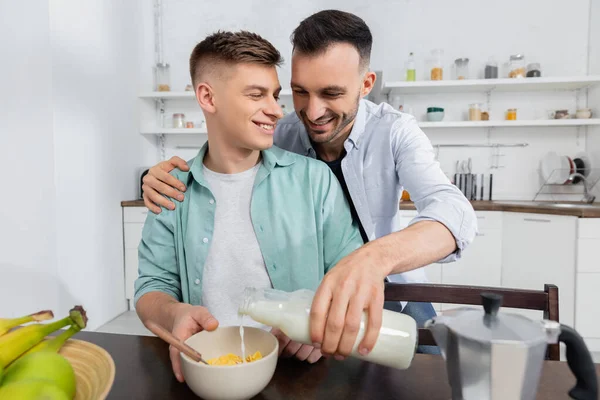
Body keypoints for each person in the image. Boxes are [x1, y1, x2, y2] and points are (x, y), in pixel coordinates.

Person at [141, 10, 477, 360]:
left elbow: (454, 211)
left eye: (331, 93)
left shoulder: (395, 132)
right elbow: (230, 150)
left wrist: (372, 257)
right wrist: (161, 175)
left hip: (394, 288)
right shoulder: (280, 134)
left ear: (366, 84)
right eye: (300, 92)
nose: (313, 112)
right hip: (311, 313)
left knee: (426, 372)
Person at [134, 30, 365, 383]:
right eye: (256, 95)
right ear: (207, 97)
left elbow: (353, 275)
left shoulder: (314, 180)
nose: (276, 110)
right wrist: (173, 313)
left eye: (274, 95)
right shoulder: (171, 189)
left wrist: (319, 325)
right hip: (207, 370)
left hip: (301, 373)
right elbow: (151, 288)